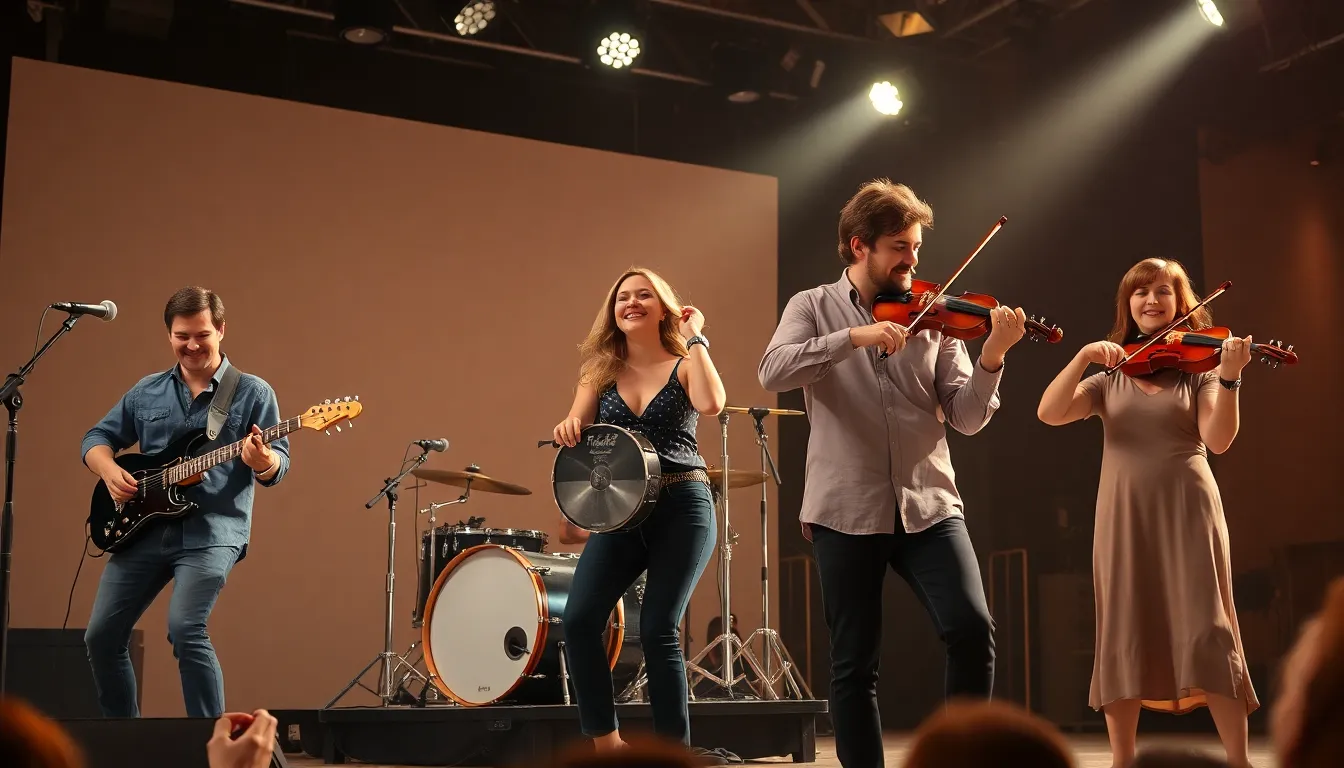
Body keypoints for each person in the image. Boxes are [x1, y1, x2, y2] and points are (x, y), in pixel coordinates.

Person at [758, 179, 1027, 768]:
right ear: (860, 246)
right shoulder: (811, 306)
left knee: (971, 628)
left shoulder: (934, 315)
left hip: (929, 502)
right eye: (899, 247)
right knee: (854, 662)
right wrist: (854, 337)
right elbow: (772, 371)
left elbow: (965, 416)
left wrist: (992, 358)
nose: (911, 260)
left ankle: (960, 758)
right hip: (844, 508)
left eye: (915, 248)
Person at [1037, 257, 1258, 768]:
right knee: (1123, 628)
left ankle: (1240, 761)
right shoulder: (1111, 374)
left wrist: (1229, 378)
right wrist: (1084, 356)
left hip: (1188, 509)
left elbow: (1219, 441)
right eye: (1140, 292)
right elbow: (1049, 412)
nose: (1151, 300)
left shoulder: (1199, 369)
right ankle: (1122, 761)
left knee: (1210, 628)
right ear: (1127, 304)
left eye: (1163, 291)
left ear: (1183, 303)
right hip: (1123, 513)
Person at [81, 286, 290, 718]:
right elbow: (96, 439)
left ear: (221, 330)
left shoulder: (252, 392)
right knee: (100, 636)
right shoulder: (146, 392)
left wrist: (263, 459)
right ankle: (125, 741)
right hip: (141, 527)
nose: (191, 345)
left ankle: (210, 745)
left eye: (201, 334)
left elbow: (279, 466)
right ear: (169, 335)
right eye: (182, 336)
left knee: (185, 628)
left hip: (211, 532)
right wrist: (107, 469)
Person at [552, 267, 733, 762]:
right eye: (622, 298)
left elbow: (712, 403)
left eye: (644, 295)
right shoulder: (600, 371)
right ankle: (607, 745)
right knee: (582, 619)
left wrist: (698, 338)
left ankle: (674, 755)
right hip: (623, 513)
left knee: (657, 628)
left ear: (664, 307)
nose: (630, 303)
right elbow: (580, 431)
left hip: (683, 503)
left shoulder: (685, 362)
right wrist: (570, 424)